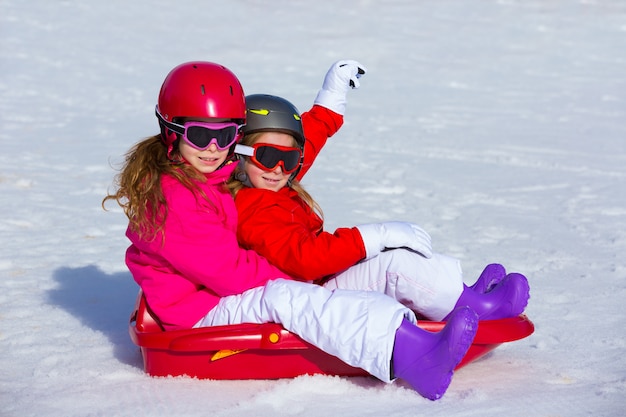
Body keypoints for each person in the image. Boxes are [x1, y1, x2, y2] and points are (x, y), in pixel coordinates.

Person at [103, 60, 482, 401]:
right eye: (200, 135)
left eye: (228, 134)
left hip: (214, 292)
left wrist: (330, 103)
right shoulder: (178, 198)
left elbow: (285, 152)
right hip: (197, 311)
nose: (214, 148)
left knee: (319, 285)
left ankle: (465, 302)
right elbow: (228, 273)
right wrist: (297, 277)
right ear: (171, 130)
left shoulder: (216, 171)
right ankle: (413, 354)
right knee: (284, 298)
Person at [229, 61, 530, 323]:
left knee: (395, 254)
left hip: (318, 283)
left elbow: (309, 141)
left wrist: (330, 99)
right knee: (394, 267)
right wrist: (372, 237)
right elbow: (306, 257)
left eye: (291, 159)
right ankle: (472, 308)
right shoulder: (252, 207)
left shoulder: (268, 179)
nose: (280, 168)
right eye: (267, 156)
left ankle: (461, 294)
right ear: (239, 154)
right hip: (308, 296)